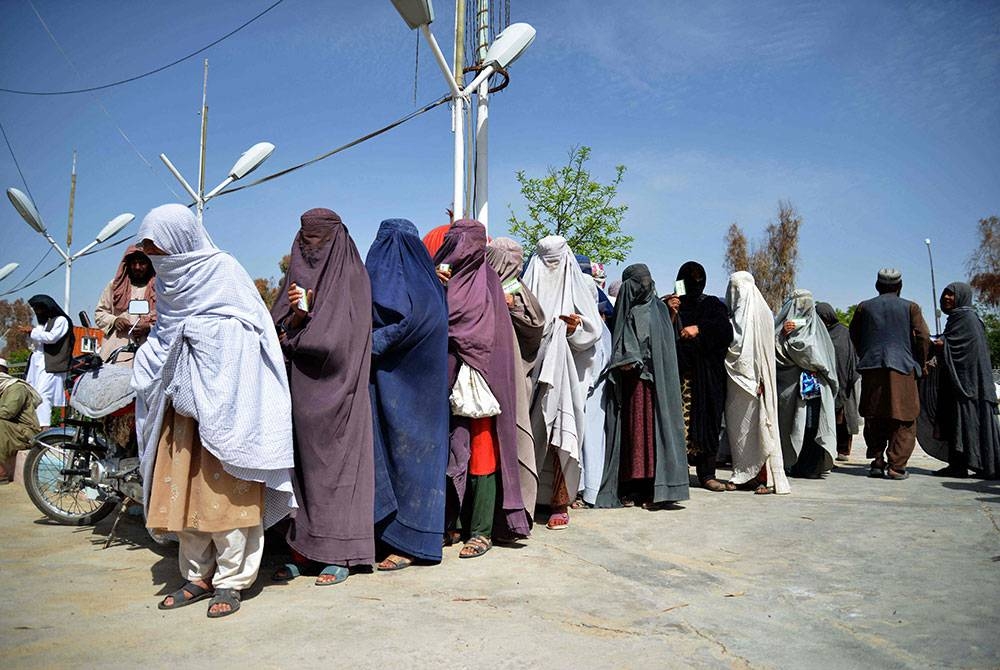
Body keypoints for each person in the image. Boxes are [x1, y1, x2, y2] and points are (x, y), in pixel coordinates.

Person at [132, 204, 295, 618]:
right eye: (151, 254)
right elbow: (166, 334)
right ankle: (197, 575)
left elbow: (249, 333)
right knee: (183, 495)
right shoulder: (170, 286)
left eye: (160, 251)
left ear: (181, 243)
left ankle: (232, 580)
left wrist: (197, 337)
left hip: (228, 404)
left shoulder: (223, 271)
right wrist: (158, 352)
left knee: (228, 496)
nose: (157, 262)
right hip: (182, 411)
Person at [270, 208, 375, 583]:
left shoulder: (351, 277)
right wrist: (296, 318)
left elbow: (336, 343)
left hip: (341, 393)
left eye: (321, 239)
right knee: (303, 476)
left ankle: (341, 553)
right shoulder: (294, 281)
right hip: (300, 396)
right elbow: (274, 335)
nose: (312, 248)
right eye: (306, 239)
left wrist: (302, 327)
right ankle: (304, 551)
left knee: (338, 475)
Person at [434, 219, 529, 558]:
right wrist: (435, 288)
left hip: (481, 385)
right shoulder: (436, 278)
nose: (460, 250)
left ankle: (481, 529)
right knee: (449, 451)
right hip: (443, 381)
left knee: (482, 452)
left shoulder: (488, 282)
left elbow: (489, 335)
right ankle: (452, 523)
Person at [366, 219, 450, 570]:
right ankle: (385, 538)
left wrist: (358, 344)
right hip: (398, 389)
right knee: (393, 460)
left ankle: (413, 543)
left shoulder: (420, 292)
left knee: (413, 463)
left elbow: (403, 326)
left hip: (415, 390)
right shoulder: (428, 284)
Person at [522, 237, 603, 529]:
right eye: (546, 261)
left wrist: (574, 328)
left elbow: (593, 330)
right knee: (531, 433)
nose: (551, 267)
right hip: (532, 369)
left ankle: (560, 500)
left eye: (556, 260)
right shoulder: (526, 287)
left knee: (561, 436)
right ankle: (528, 498)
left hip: (567, 373)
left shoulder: (579, 286)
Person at [597, 264, 690, 508]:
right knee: (635, 435)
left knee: (647, 434)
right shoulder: (637, 310)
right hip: (633, 387)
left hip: (648, 386)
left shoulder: (656, 310)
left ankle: (651, 488)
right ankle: (633, 487)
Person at [850, 269, 931, 480]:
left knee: (874, 415)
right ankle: (896, 466)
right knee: (904, 418)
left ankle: (877, 461)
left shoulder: (864, 307)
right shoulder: (910, 307)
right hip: (902, 369)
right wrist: (920, 363)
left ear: (877, 286)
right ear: (899, 286)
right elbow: (923, 337)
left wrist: (867, 355)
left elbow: (854, 335)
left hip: (872, 369)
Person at [485, 237, 546, 519]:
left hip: (514, 379)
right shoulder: (480, 285)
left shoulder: (515, 290)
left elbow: (535, 326)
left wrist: (509, 305)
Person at [665, 262, 733, 491]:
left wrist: (699, 328)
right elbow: (660, 337)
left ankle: (707, 474)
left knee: (708, 422)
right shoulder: (667, 304)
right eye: (687, 279)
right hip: (677, 375)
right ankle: (678, 473)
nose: (692, 284)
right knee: (677, 424)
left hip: (707, 378)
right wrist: (670, 314)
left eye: (696, 279)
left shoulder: (713, 305)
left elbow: (725, 332)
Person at [723, 272, 790, 495]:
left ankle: (765, 477)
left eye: (737, 288)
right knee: (738, 430)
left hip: (756, 382)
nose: (734, 293)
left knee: (760, 427)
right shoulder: (731, 316)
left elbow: (763, 350)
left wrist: (762, 379)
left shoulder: (762, 313)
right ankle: (742, 473)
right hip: (735, 382)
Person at [932, 282, 1000, 479]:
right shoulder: (955, 319)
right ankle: (958, 465)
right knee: (956, 425)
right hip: (959, 385)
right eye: (945, 294)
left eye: (951, 295)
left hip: (968, 386)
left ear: (962, 297)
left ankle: (977, 464)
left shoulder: (966, 318)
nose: (946, 298)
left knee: (967, 423)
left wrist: (942, 346)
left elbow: (963, 352)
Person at [774, 289, 839, 478]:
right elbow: (775, 352)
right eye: (799, 303)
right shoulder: (780, 330)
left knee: (811, 426)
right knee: (789, 426)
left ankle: (810, 467)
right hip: (787, 389)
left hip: (813, 390)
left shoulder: (817, 329)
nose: (803, 308)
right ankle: (789, 464)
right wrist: (784, 336)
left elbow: (817, 356)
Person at [94, 245, 157, 365]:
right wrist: (115, 320)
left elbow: (169, 321)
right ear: (128, 264)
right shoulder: (115, 286)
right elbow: (99, 313)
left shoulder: (159, 289)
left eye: (142, 263)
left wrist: (149, 328)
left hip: (148, 353)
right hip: (118, 352)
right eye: (134, 263)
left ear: (150, 264)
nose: (137, 267)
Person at [815, 303, 860, 462]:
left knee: (844, 416)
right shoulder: (819, 334)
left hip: (844, 380)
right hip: (826, 381)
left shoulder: (844, 333)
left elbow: (850, 356)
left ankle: (843, 449)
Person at [21, 295, 74, 429]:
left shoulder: (61, 320)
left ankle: (44, 428)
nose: (38, 312)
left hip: (51, 366)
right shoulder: (43, 325)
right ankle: (35, 426)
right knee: (34, 394)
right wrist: (31, 334)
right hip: (38, 365)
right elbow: (36, 344)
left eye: (40, 309)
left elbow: (51, 338)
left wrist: (31, 331)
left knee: (44, 395)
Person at [0, 357, 41, 483]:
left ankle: (1, 472)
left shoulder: (16, 387)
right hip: (13, 429)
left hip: (27, 432)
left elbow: (7, 412)